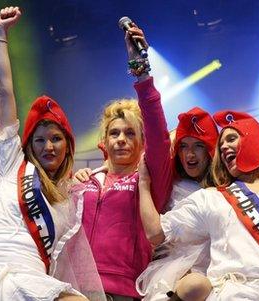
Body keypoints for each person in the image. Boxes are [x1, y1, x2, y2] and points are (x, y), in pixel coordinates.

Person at [0, 7, 104, 301]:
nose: (48, 146)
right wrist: (0, 35)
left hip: (33, 276)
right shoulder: (11, 161)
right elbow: (5, 92)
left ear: (68, 144)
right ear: (29, 144)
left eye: (56, 139)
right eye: (40, 140)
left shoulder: (69, 194)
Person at [139, 110, 259, 300]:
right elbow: (156, 234)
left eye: (231, 139)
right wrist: (143, 185)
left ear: (255, 139)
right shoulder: (210, 197)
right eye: (220, 144)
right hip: (231, 291)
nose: (223, 147)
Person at [74, 23, 173, 300]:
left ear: (142, 143)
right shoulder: (88, 179)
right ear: (103, 141)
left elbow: (157, 130)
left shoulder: (148, 179)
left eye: (130, 133)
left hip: (123, 290)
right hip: (74, 286)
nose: (120, 139)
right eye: (114, 133)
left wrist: (140, 68)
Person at [136, 107, 217, 301]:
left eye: (198, 145)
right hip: (173, 277)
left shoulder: (228, 187)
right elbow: (154, 234)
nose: (190, 154)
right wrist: (143, 184)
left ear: (211, 150)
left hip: (219, 275)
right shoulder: (170, 185)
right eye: (183, 146)